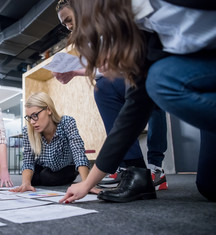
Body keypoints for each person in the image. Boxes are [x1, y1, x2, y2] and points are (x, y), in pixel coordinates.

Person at [60, 0, 216, 203]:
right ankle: (136, 172)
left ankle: (154, 166)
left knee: (162, 79)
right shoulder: (145, 35)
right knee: (210, 186)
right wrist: (88, 183)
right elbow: (132, 113)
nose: (102, 60)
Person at [54, 0, 168, 190]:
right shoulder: (87, 39)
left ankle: (156, 165)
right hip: (122, 78)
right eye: (64, 24)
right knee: (102, 87)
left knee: (151, 92)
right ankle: (131, 166)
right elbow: (101, 70)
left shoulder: (116, 14)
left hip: (148, 69)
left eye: (68, 20)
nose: (68, 27)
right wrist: (73, 71)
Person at [11, 92, 90, 193]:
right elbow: (28, 160)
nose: (32, 122)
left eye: (35, 115)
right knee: (31, 178)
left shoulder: (67, 122)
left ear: (48, 110)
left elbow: (78, 152)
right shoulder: (28, 130)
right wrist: (26, 183)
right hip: (44, 165)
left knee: (47, 177)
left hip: (66, 166)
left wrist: (87, 184)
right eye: (29, 117)